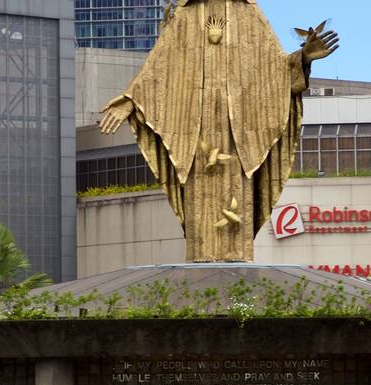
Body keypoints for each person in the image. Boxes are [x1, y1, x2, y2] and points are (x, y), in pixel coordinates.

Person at [98, 0, 338, 261]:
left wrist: (302, 57)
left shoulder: (247, 12)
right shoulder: (185, 14)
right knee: (201, 208)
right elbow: (159, 72)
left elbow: (275, 71)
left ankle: (236, 259)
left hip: (238, 135)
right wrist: (131, 100)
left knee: (237, 208)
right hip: (196, 132)